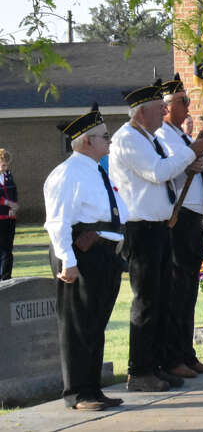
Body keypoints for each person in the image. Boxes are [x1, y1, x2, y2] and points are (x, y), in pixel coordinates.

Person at [109, 80, 203, 391]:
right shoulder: (128, 139)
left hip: (159, 226)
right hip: (141, 228)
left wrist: (189, 159)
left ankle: (156, 364)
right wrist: (191, 151)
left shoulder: (147, 138)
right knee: (147, 301)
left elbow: (165, 175)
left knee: (162, 298)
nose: (164, 112)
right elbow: (157, 172)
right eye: (159, 108)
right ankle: (139, 370)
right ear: (141, 113)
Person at [42, 105, 127, 410]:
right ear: (87, 141)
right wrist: (68, 261)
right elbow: (58, 222)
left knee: (95, 324)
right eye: (105, 136)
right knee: (78, 325)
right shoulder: (67, 173)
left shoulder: (97, 169)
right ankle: (77, 392)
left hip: (104, 254)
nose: (110, 141)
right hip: (81, 254)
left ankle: (92, 388)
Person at [154, 76, 203, 377]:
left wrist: (192, 154)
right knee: (177, 289)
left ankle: (187, 352)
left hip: (193, 215)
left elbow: (187, 162)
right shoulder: (161, 136)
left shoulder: (177, 136)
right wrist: (191, 155)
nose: (188, 107)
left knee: (189, 288)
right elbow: (168, 167)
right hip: (177, 217)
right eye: (183, 101)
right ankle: (174, 356)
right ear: (167, 107)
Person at [0, 148, 17, 281]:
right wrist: (7, 202)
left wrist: (14, 206)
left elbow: (13, 191)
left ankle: (6, 277)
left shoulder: (8, 175)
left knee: (8, 249)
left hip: (9, 217)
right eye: (3, 164)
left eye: (7, 164)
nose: (6, 167)